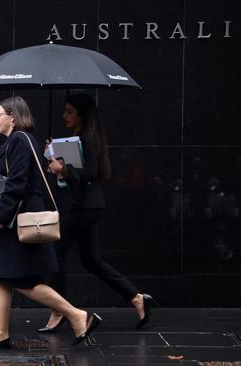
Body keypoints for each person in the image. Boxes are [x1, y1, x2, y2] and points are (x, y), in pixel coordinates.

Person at [0, 96, 101, 349]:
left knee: (23, 281)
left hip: (15, 221)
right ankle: (0, 332)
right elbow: (12, 179)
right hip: (12, 218)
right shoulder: (16, 141)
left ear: (13, 116)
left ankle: (77, 315)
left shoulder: (20, 140)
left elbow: (19, 184)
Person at [41, 93, 155, 333]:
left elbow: (91, 173)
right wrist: (54, 158)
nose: (65, 116)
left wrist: (64, 168)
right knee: (91, 259)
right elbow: (73, 174)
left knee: (56, 254)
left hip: (83, 206)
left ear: (82, 114)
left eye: (69, 111)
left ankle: (59, 310)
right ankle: (136, 298)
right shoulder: (76, 139)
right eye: (65, 111)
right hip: (85, 205)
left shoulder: (88, 139)